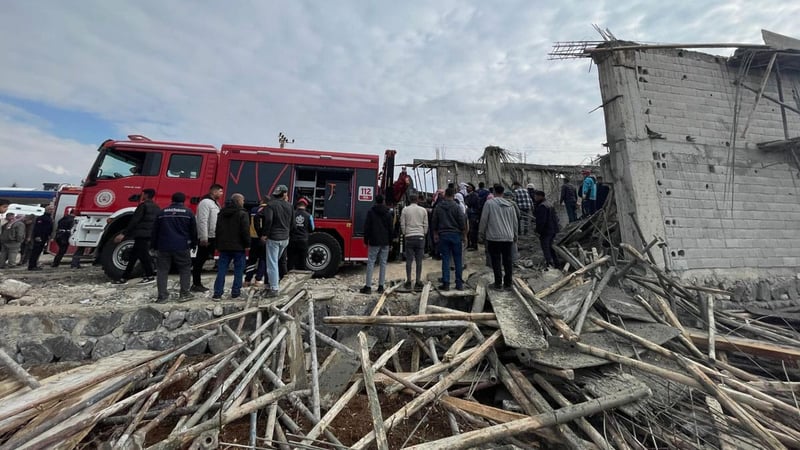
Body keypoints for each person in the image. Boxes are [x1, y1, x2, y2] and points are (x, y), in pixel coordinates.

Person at [152, 192, 197, 303]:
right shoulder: (188, 213)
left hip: (163, 246)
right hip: (182, 246)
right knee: (185, 269)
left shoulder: (161, 213)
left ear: (172, 200)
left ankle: (162, 296)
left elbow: (155, 231)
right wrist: (194, 244)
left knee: (162, 271)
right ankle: (184, 294)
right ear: (184, 201)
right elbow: (193, 231)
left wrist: (153, 246)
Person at [112, 189, 159, 284]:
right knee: (134, 255)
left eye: (143, 194)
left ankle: (149, 275)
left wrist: (124, 233)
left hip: (141, 234)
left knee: (143, 255)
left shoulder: (143, 206)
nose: (141, 196)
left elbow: (134, 220)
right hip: (149, 234)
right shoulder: (157, 207)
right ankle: (124, 277)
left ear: (146, 195)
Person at [479, 184, 518, 290]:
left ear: (494, 192)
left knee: (496, 261)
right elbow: (515, 222)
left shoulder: (489, 203)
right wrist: (515, 235)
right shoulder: (510, 205)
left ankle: (498, 283)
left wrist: (481, 233)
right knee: (508, 261)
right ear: (503, 192)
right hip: (508, 237)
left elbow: (484, 220)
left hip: (493, 237)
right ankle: (508, 283)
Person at [212, 193, 250, 300]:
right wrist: (247, 244)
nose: (244, 202)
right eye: (243, 200)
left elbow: (218, 229)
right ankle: (235, 292)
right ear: (238, 201)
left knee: (221, 270)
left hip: (224, 246)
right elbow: (245, 231)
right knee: (238, 270)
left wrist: (217, 244)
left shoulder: (221, 213)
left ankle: (217, 293)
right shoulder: (242, 213)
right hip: (238, 246)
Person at [259, 185, 293, 298]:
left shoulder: (271, 205)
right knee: (275, 262)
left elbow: (268, 220)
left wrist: (265, 234)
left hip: (274, 238)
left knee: (272, 263)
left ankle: (274, 288)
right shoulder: (290, 206)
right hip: (285, 238)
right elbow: (292, 223)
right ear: (284, 194)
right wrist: (288, 233)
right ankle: (271, 284)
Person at [431, 188, 465, 291]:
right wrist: (463, 233)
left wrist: (435, 233)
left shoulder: (438, 207)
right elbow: (462, 221)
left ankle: (446, 283)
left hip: (443, 235)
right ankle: (459, 284)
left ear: (445, 195)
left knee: (445, 259)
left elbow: (434, 221)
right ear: (453, 195)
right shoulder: (457, 207)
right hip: (455, 235)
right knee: (458, 259)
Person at [191, 183, 223, 292]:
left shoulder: (215, 203)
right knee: (200, 260)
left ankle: (197, 283)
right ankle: (196, 284)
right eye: (220, 191)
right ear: (214, 191)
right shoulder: (205, 203)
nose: (221, 194)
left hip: (213, 236)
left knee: (203, 259)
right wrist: (204, 237)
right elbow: (202, 220)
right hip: (207, 237)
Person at [360, 194, 393, 294]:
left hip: (374, 241)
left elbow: (367, 227)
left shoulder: (371, 212)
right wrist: (391, 242)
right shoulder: (388, 213)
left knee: (371, 262)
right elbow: (390, 229)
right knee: (383, 263)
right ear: (383, 201)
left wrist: (365, 240)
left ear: (375, 201)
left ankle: (368, 287)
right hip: (385, 241)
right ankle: (381, 287)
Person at [400, 193, 428, 290]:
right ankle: (418, 281)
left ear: (409, 199)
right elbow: (426, 224)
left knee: (409, 260)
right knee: (419, 261)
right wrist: (424, 233)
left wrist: (405, 233)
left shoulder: (405, 210)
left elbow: (402, 223)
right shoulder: (423, 210)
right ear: (417, 200)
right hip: (420, 236)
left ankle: (408, 281)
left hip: (409, 237)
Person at [244, 195, 268, 287]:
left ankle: (247, 280)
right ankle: (258, 279)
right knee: (263, 259)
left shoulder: (253, 210)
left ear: (261, 201)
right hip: (263, 238)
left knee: (252, 259)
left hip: (253, 237)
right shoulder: (269, 210)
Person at [533, 190, 560, 269]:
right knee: (551, 247)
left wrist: (538, 230)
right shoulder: (549, 204)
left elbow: (541, 221)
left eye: (536, 196)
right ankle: (556, 264)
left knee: (546, 248)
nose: (535, 198)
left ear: (540, 196)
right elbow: (556, 218)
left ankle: (549, 265)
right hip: (552, 229)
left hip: (546, 231)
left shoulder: (542, 206)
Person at [288, 197, 314, 271]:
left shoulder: (292, 214)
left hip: (292, 240)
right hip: (303, 240)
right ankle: (301, 274)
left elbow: (288, 226)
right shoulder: (309, 216)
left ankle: (289, 274)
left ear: (297, 205)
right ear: (305, 206)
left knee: (291, 260)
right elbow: (312, 228)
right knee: (302, 260)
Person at [27, 205, 54, 271]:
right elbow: (38, 228)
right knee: (35, 252)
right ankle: (31, 266)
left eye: (52, 209)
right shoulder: (41, 218)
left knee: (38, 252)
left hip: (44, 237)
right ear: (46, 210)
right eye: (50, 209)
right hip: (40, 237)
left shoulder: (49, 218)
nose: (52, 211)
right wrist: (37, 236)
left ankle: (34, 265)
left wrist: (49, 235)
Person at [464, 183, 480, 251]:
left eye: (468, 187)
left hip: (474, 215)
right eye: (467, 187)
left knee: (473, 230)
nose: (467, 189)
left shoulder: (474, 195)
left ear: (472, 188)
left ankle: (474, 245)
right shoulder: (468, 195)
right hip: (470, 215)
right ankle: (470, 244)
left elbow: (471, 204)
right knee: (469, 230)